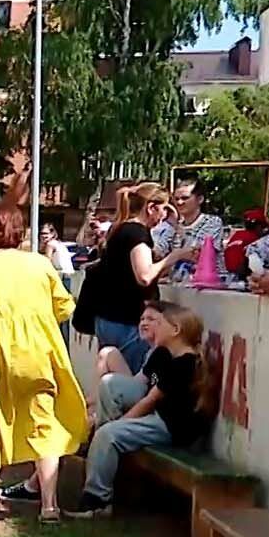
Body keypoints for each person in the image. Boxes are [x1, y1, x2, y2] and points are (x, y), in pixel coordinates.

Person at [0, 211, 87, 524]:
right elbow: (64, 307)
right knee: (43, 424)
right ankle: (49, 506)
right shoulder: (39, 263)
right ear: (17, 232)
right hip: (36, 353)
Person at [65, 302, 212, 519]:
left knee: (108, 435)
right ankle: (101, 455)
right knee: (110, 388)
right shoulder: (164, 354)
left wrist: (117, 425)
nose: (152, 326)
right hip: (159, 419)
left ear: (175, 330)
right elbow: (138, 385)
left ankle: (97, 501)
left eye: (158, 323)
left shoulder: (184, 364)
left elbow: (149, 402)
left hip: (171, 428)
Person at [78, 182, 193, 378]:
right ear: (151, 208)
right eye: (164, 209)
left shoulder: (122, 230)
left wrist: (175, 226)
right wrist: (175, 256)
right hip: (126, 320)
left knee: (111, 378)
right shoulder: (137, 233)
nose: (165, 215)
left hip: (108, 318)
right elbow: (144, 276)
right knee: (128, 381)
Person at [168, 181, 225, 281]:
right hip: (178, 285)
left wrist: (176, 255)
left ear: (200, 199)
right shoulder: (173, 226)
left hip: (207, 287)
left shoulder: (212, 222)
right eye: (176, 199)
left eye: (185, 198)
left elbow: (198, 253)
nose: (179, 202)